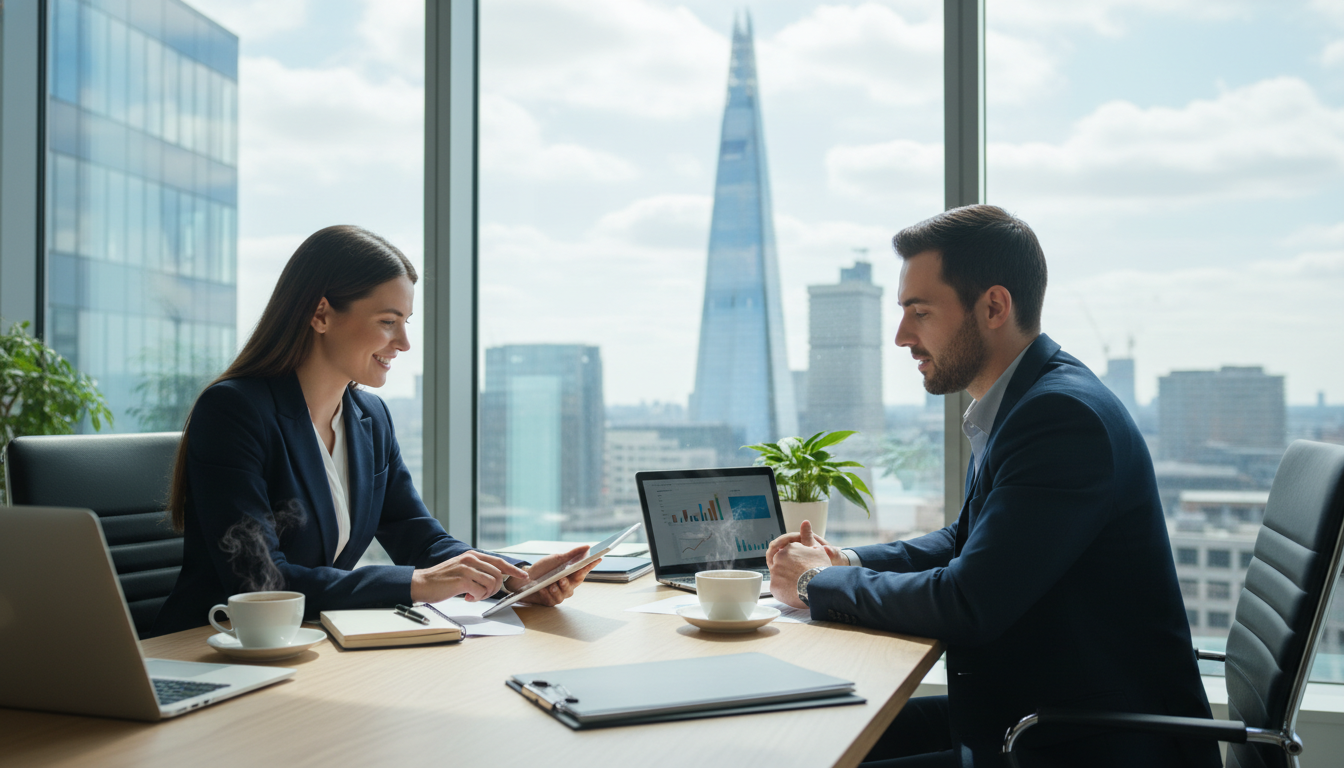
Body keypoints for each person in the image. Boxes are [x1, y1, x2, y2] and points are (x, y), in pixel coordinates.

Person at [766, 205, 1219, 767]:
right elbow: (965, 540)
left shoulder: (1060, 417)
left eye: (920, 312)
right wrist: (847, 560)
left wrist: (816, 584)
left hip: (1088, 743)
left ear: (994, 306)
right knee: (809, 738)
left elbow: (967, 600)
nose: (902, 335)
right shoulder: (1027, 401)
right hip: (1030, 713)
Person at [153, 226, 596, 636]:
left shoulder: (369, 417)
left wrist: (514, 577)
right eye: (388, 321)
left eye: (406, 322)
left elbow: (419, 536)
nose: (404, 343)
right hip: (212, 646)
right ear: (321, 313)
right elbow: (263, 577)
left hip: (307, 644)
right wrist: (416, 584)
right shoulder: (235, 410)